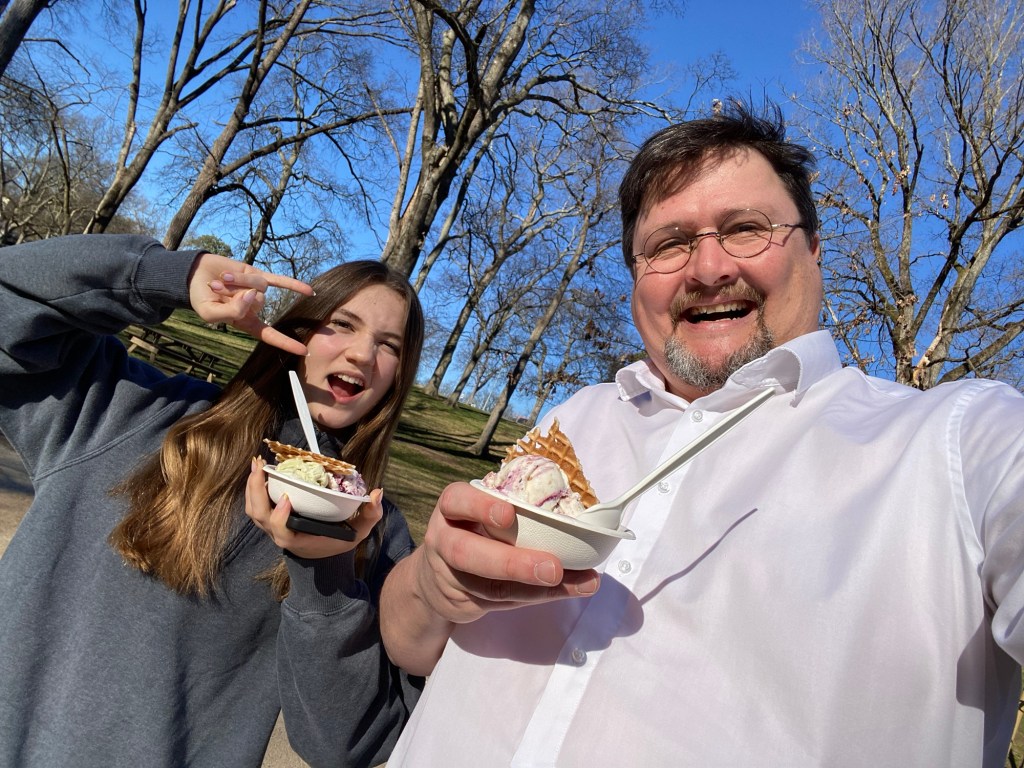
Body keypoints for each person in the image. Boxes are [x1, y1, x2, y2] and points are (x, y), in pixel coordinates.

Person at [378, 100, 1024, 766]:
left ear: (813, 248)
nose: (708, 268)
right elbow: (410, 643)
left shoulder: (961, 442)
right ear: (636, 277)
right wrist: (432, 583)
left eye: (745, 229)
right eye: (669, 244)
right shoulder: (573, 421)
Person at [0, 234, 425, 767]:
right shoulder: (135, 414)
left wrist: (326, 575)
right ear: (297, 330)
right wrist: (168, 275)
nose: (363, 354)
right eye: (341, 324)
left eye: (390, 346)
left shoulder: (377, 533)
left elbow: (348, 745)